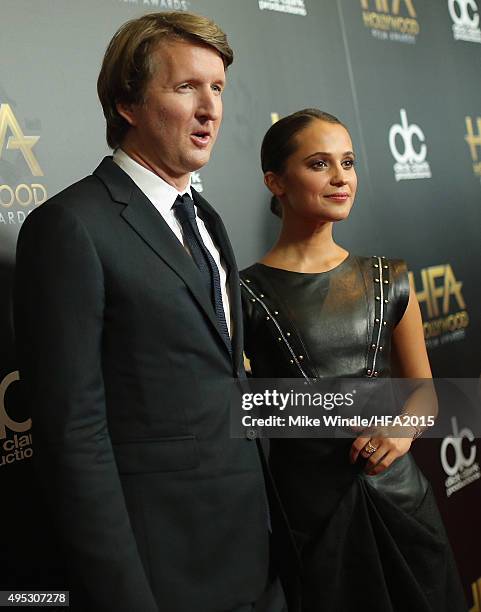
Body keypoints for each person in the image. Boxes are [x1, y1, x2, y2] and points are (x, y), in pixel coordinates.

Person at [14, 12, 279, 612]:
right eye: (186, 87)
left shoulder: (206, 220)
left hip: (255, 557)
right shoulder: (70, 227)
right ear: (127, 103)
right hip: (163, 572)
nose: (210, 108)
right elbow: (73, 436)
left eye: (217, 88)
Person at [240, 109, 467, 611]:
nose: (341, 176)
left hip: (402, 502)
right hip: (310, 518)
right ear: (275, 181)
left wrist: (402, 431)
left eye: (348, 161)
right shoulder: (243, 295)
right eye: (319, 164)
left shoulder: (390, 277)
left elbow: (423, 391)